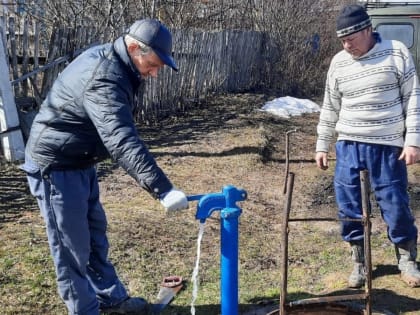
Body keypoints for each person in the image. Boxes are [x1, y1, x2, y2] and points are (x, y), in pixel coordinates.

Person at [20, 19, 189, 314]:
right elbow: (121, 139)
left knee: (95, 236)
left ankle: (112, 300)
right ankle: (85, 310)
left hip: (80, 160)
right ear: (135, 47)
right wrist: (162, 189)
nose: (156, 71)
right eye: (155, 62)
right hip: (56, 167)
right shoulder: (105, 76)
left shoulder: (119, 66)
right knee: (71, 248)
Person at [315, 4, 420, 289]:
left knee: (395, 205)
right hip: (348, 145)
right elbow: (330, 105)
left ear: (367, 30)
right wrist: (322, 144)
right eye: (342, 40)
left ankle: (407, 258)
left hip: (387, 146)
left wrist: (413, 141)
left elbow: (413, 100)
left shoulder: (397, 52)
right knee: (349, 207)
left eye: (351, 38)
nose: (347, 45)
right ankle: (359, 262)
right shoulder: (339, 62)